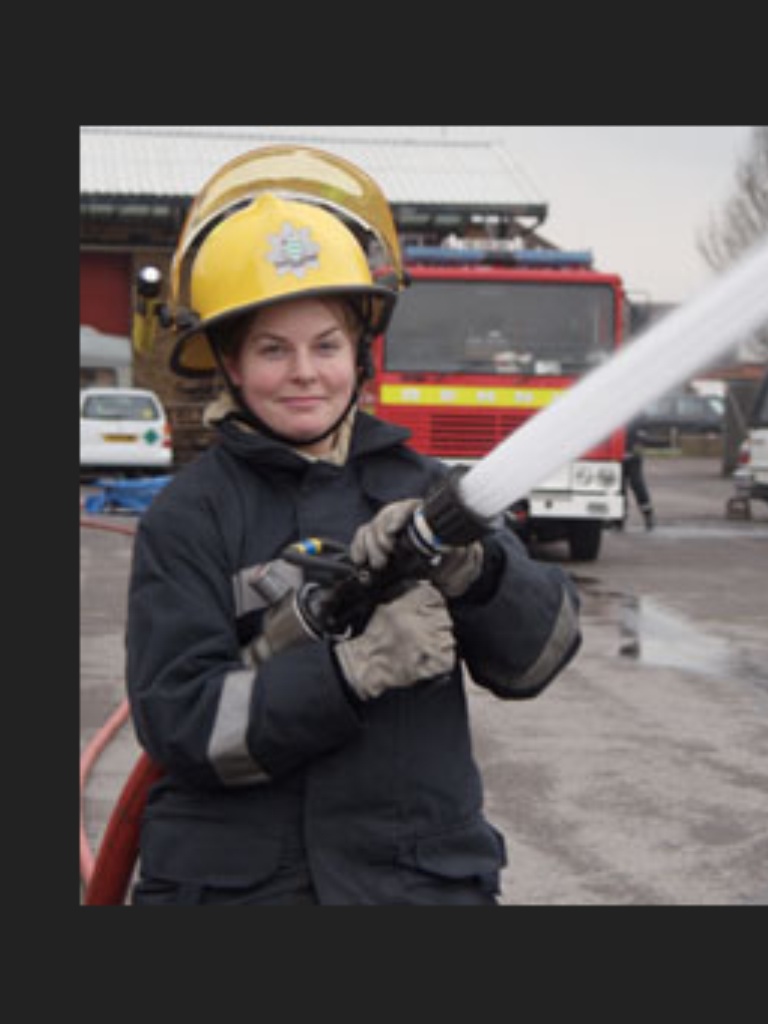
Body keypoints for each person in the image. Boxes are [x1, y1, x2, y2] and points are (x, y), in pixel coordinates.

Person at [125, 147, 582, 905]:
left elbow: (538, 659)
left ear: (361, 353)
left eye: (326, 345)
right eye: (273, 349)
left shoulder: (429, 490)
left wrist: (478, 575)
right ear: (231, 364)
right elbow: (183, 726)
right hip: (246, 894)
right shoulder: (190, 517)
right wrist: (346, 673)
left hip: (416, 885)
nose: (305, 372)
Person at [623, 421, 655, 529]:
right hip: (617, 455)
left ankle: (648, 515)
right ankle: (618, 518)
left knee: (637, 484)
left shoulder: (637, 417)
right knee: (618, 488)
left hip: (633, 457)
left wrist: (634, 450)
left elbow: (642, 435)